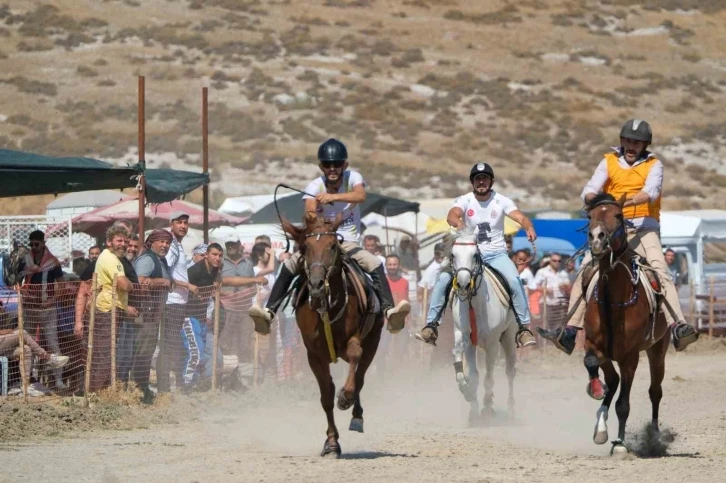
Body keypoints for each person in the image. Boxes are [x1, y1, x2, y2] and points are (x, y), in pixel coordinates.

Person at [538, 119, 699, 353]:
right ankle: (570, 331)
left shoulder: (655, 165)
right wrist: (598, 201)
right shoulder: (609, 161)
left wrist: (620, 203)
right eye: (627, 140)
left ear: (645, 145)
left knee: (658, 269)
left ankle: (678, 326)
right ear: (621, 141)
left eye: (637, 142)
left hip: (644, 228)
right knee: (585, 270)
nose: (631, 146)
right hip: (613, 228)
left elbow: (650, 192)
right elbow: (590, 189)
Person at [249, 138, 411, 335]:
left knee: (375, 263)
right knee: (290, 265)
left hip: (348, 243)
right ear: (321, 167)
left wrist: (333, 197)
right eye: (327, 165)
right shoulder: (314, 186)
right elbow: (309, 211)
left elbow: (360, 196)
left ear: (345, 165)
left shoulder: (353, 178)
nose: (332, 169)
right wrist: (314, 210)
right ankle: (269, 313)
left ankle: (389, 311)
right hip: (322, 242)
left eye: (337, 164)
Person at [415, 162, 537, 348]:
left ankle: (523, 328)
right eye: (478, 179)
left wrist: (528, 227)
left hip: (496, 254)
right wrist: (458, 222)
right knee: (443, 280)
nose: (481, 182)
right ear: (472, 182)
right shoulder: (464, 200)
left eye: (485, 178)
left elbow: (520, 217)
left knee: (514, 280)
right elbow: (452, 215)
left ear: (491, 181)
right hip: (470, 255)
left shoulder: (502, 201)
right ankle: (431, 326)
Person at [89, 224, 137, 392]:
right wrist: (130, 285)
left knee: (109, 354)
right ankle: (96, 393)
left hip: (113, 309)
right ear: (108, 242)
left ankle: (105, 392)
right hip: (107, 310)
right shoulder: (109, 258)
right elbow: (124, 284)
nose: (123, 244)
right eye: (119, 240)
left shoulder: (115, 258)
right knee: (104, 354)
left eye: (125, 241)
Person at [21, 230, 67, 391]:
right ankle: (30, 379)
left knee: (53, 342)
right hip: (29, 307)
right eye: (31, 244)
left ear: (43, 243)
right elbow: (17, 277)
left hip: (48, 309)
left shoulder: (52, 262)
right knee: (29, 344)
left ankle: (58, 380)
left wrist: (53, 300)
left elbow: (62, 284)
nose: (34, 247)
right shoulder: (25, 259)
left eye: (36, 244)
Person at [131, 229, 173, 404]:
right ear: (152, 242)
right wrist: (162, 282)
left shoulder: (160, 261)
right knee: (141, 354)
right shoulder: (148, 259)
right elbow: (140, 282)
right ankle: (138, 390)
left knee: (147, 354)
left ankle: (142, 388)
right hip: (144, 316)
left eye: (167, 242)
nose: (165, 245)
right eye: (161, 241)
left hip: (153, 317)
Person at [530, 252, 571, 330]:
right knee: (546, 327)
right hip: (547, 304)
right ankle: (545, 342)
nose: (557, 262)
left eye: (559, 261)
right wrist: (544, 289)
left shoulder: (563, 273)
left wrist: (565, 286)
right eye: (554, 260)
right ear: (550, 261)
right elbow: (534, 286)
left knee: (559, 328)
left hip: (560, 305)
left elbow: (569, 286)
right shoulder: (542, 272)